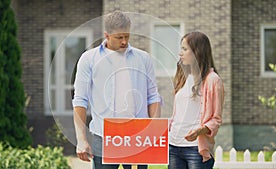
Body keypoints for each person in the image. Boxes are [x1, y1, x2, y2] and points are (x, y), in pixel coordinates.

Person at [72, 11, 161, 169]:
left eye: (127, 36)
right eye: (119, 37)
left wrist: (153, 132)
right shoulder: (89, 59)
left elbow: (153, 97)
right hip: (103, 135)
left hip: (137, 135)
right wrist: (81, 139)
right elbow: (80, 100)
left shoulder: (143, 59)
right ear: (107, 35)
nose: (124, 41)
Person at [168, 31, 224, 169]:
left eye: (185, 49)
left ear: (197, 52)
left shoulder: (213, 80)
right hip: (174, 145)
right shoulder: (183, 76)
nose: (180, 53)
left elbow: (216, 120)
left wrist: (199, 131)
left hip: (196, 149)